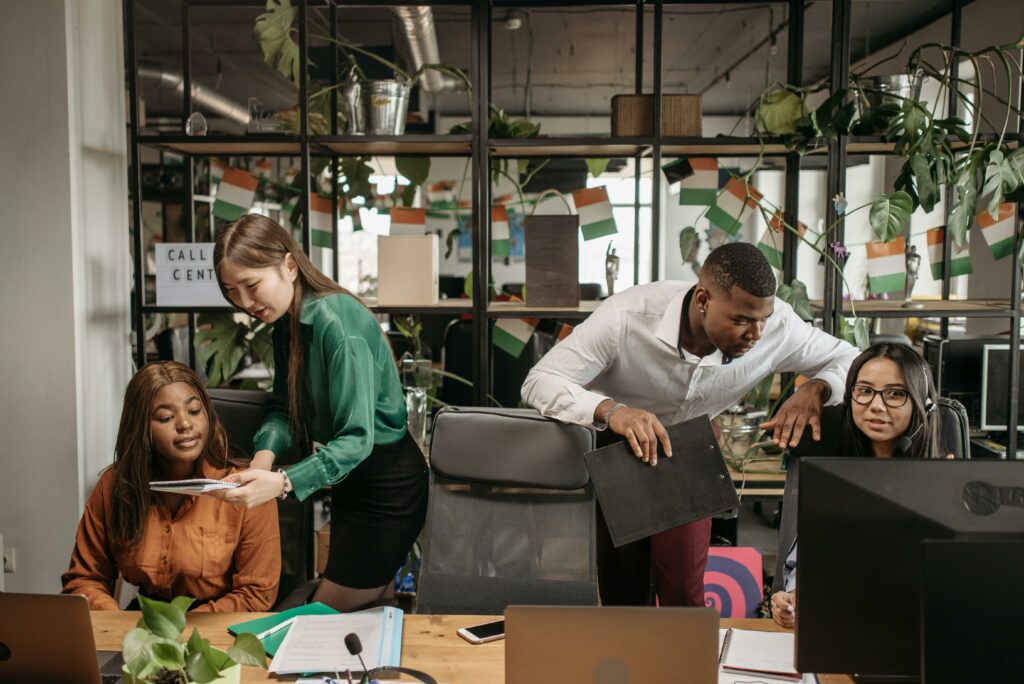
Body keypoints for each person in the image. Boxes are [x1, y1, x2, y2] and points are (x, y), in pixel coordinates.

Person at [522, 242, 860, 607]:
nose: (757, 334)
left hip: (689, 446)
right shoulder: (626, 316)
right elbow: (540, 381)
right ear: (703, 300)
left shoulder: (777, 327)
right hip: (617, 446)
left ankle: (682, 663)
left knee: (684, 594)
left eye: (763, 318)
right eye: (742, 321)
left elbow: (850, 358)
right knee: (622, 593)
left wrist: (818, 387)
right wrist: (611, 410)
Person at [211, 214, 428, 612]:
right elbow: (282, 406)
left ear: (289, 266)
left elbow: (357, 438)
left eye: (251, 285)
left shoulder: (336, 321)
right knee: (367, 618)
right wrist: (263, 459)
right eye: (231, 291)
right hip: (350, 483)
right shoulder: (284, 322)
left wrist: (280, 483)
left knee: (320, 620)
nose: (243, 303)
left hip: (387, 487)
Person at [62, 362, 281, 611]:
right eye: (166, 417)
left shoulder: (247, 490)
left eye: (195, 411)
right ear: (142, 427)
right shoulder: (116, 486)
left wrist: (180, 632)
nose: (185, 424)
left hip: (218, 628)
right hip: (142, 629)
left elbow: (256, 594)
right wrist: (118, 625)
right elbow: (84, 578)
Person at [771, 342, 949, 628]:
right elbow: (805, 564)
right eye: (864, 391)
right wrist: (791, 599)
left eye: (895, 394)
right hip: (840, 627)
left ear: (922, 405)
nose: (876, 406)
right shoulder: (832, 478)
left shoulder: (944, 483)